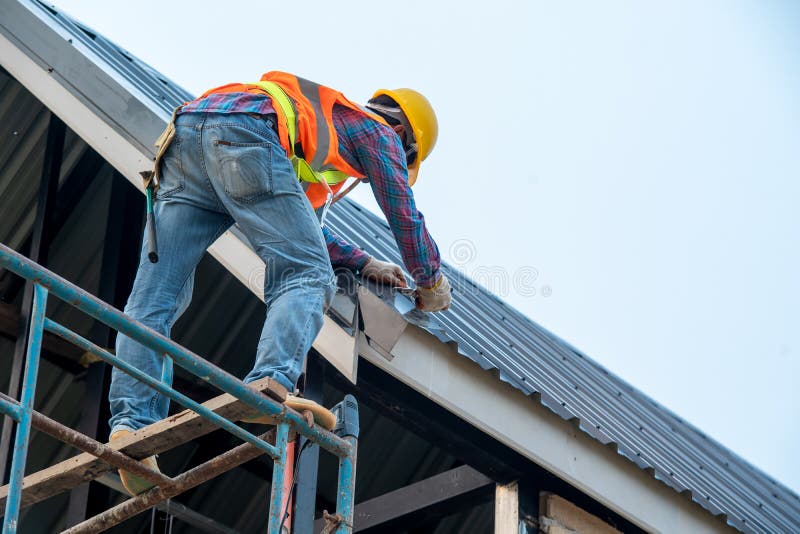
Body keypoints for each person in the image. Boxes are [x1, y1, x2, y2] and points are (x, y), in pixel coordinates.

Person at [107, 71, 451, 494]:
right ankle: (270, 384)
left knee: (154, 297)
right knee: (307, 274)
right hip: (244, 134)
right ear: (400, 132)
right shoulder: (376, 131)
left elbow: (296, 227)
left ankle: (130, 429)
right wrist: (430, 279)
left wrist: (362, 263)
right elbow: (402, 212)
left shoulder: (313, 138)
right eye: (404, 156)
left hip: (185, 139)